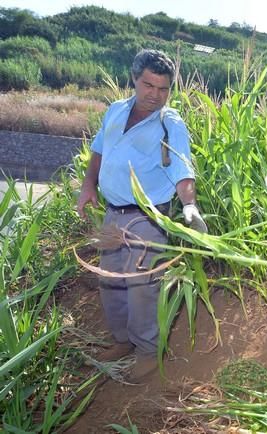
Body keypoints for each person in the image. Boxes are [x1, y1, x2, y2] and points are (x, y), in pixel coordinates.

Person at [77, 49, 207, 382]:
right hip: (112, 215)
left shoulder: (170, 122)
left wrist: (189, 206)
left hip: (147, 220)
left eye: (163, 89)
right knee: (110, 282)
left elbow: (182, 167)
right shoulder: (116, 111)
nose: (155, 95)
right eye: (148, 85)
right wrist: (88, 186)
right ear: (134, 79)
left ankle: (148, 352)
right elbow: (99, 151)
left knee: (142, 289)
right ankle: (122, 341)